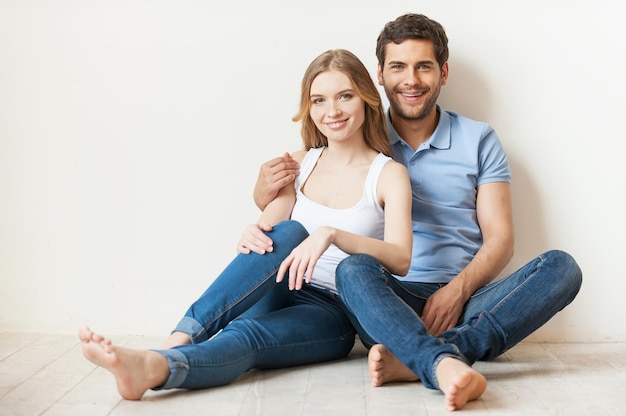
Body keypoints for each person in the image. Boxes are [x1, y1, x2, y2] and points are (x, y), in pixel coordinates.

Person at [249, 13, 582, 411]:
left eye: (423, 66)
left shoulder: (478, 139)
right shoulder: (359, 134)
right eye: (398, 67)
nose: (411, 80)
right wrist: (260, 194)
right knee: (353, 268)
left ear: (442, 72)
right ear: (379, 76)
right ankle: (433, 354)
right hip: (387, 299)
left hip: (468, 300)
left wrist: (455, 292)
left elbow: (501, 239)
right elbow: (309, 189)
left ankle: (427, 356)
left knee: (562, 267)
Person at [79, 48, 419, 401]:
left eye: (344, 96)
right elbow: (270, 234)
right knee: (289, 233)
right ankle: (175, 341)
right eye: (318, 100)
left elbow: (400, 258)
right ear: (309, 107)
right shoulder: (297, 163)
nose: (331, 111)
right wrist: (253, 231)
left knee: (245, 334)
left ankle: (156, 368)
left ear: (366, 98)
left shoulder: (389, 174)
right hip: (279, 283)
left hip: (332, 311)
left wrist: (331, 235)